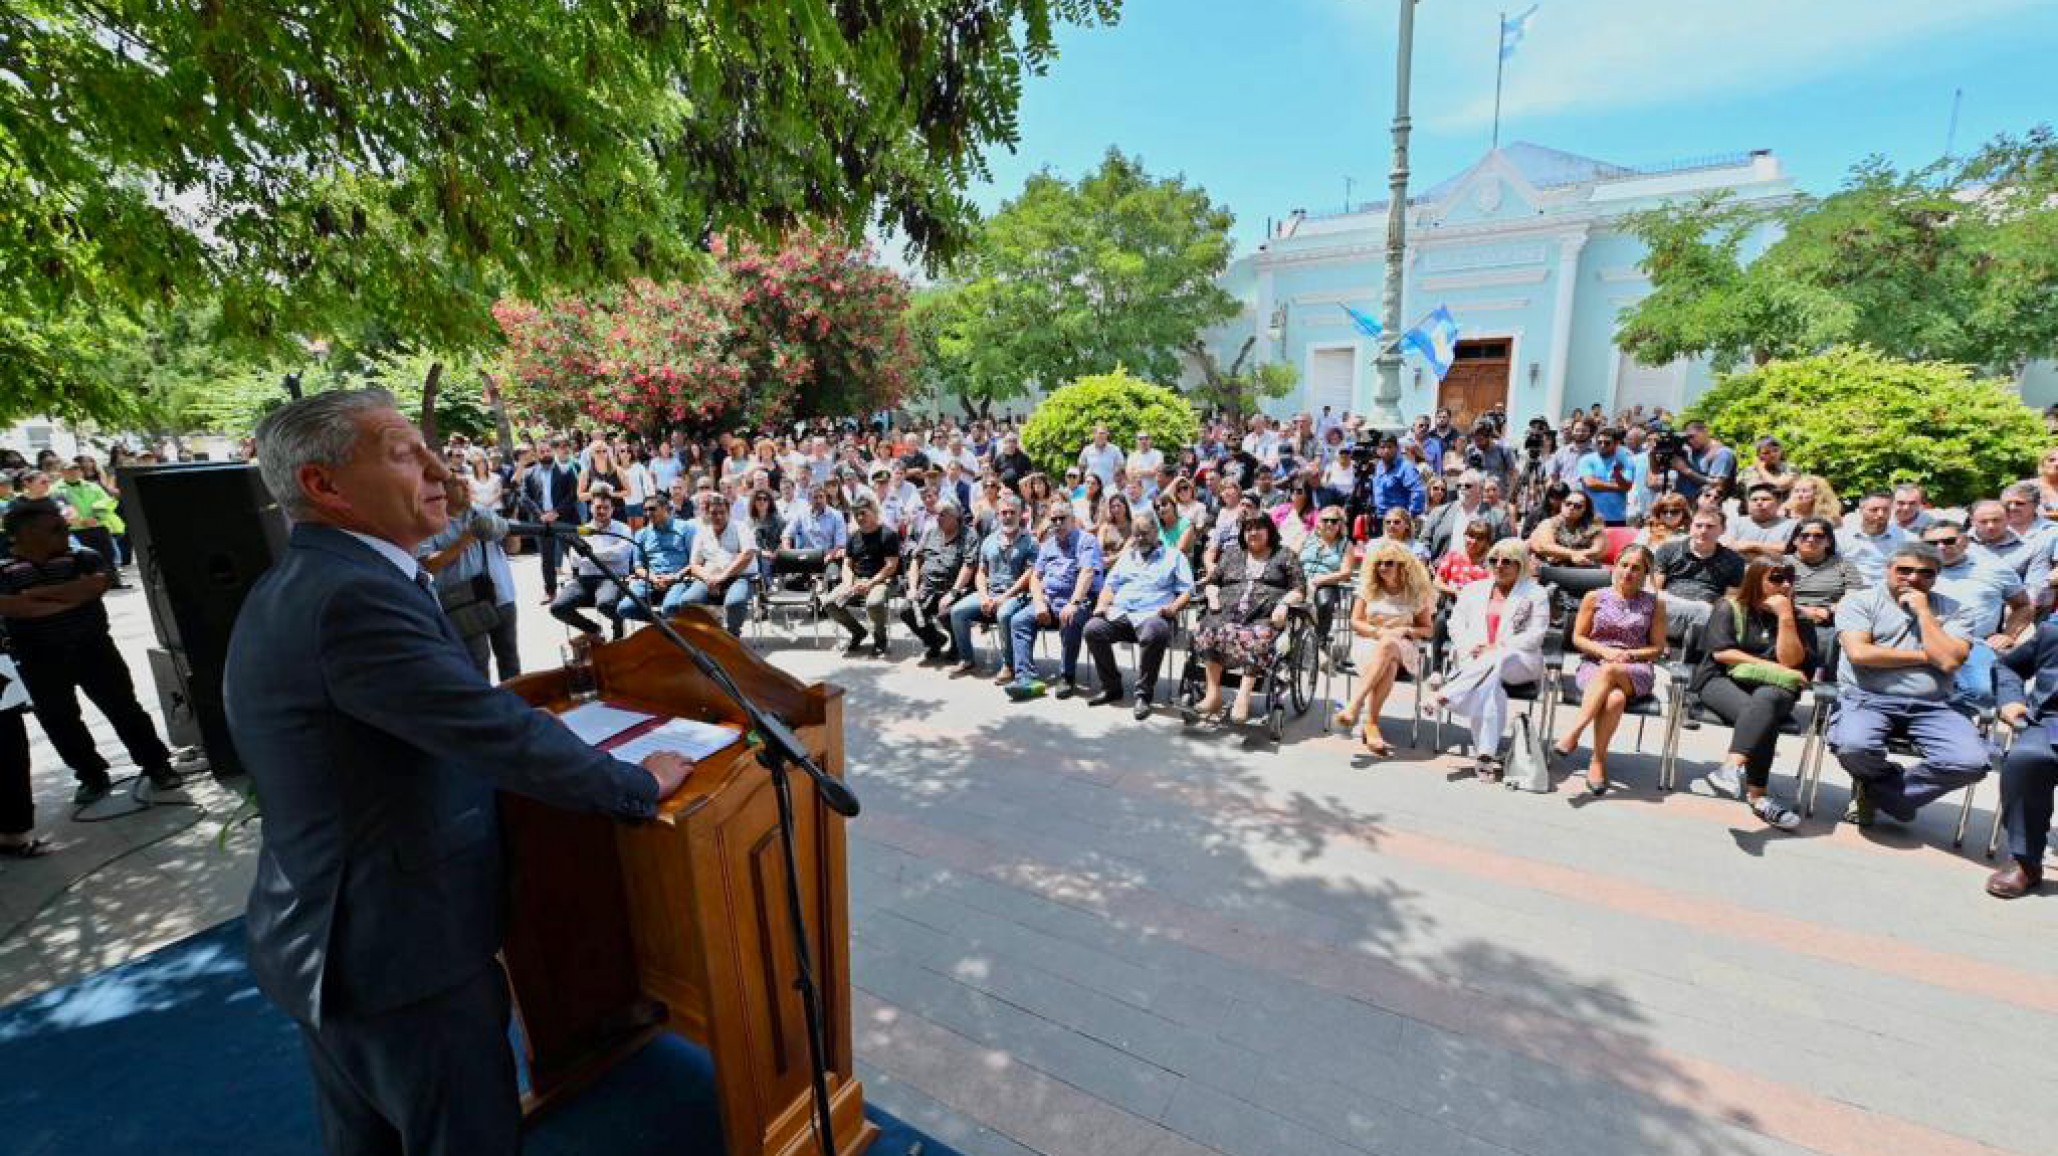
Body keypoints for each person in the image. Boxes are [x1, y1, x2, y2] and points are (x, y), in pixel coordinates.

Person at [226, 393, 691, 1156]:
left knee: (369, 1136)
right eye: (404, 452)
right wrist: (636, 783)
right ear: (325, 485)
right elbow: (488, 731)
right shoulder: (351, 596)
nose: (442, 469)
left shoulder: (324, 576)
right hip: (396, 951)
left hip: (341, 932)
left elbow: (424, 715)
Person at [0, 499, 179, 806]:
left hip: (93, 649)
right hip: (38, 658)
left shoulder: (84, 556)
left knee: (124, 708)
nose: (66, 531)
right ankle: (91, 775)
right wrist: (69, 596)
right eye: (56, 528)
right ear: (27, 533)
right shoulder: (5, 571)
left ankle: (156, 765)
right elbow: (15, 608)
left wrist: (39, 595)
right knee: (60, 720)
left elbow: (94, 587)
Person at [1828, 544, 1985, 826]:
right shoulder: (1860, 602)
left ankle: (1878, 792)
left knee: (1970, 762)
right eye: (1904, 570)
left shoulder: (1955, 611)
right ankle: (1889, 789)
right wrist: (1928, 656)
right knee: (1853, 746)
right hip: (1868, 698)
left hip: (1934, 705)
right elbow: (1861, 654)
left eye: (1926, 573)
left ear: (1936, 577)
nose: (1913, 579)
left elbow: (1949, 663)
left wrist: (1925, 614)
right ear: (1888, 569)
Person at [1691, 559, 1813, 830]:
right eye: (1778, 578)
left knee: (1765, 702)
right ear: (1756, 580)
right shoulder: (1730, 607)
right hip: (1720, 679)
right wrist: (1770, 665)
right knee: (1762, 715)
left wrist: (1785, 617)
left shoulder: (1799, 619)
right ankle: (1759, 796)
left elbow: (1792, 663)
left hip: (1777, 688)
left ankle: (1731, 767)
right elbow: (1723, 653)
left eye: (1791, 579)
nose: (1786, 585)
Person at [1423, 540, 1550, 781]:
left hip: (1521, 660)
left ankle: (1446, 693)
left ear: (1521, 564)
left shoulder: (1535, 593)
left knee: (1498, 659)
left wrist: (1498, 646)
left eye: (1507, 562)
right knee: (1492, 684)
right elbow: (1455, 624)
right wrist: (1470, 648)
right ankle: (1485, 755)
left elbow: (1535, 635)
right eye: (1494, 560)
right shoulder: (1474, 589)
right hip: (1477, 660)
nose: (1499, 566)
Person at [1554, 544, 1668, 794]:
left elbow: (1657, 648)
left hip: (1635, 668)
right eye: (1624, 565)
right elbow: (1578, 638)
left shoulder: (1654, 604)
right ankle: (1598, 761)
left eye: (1636, 568)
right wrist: (1604, 652)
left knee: (1611, 671)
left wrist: (1627, 654)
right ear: (1615, 566)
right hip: (1594, 662)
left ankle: (1573, 733)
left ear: (1646, 573)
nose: (1628, 572)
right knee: (1614, 699)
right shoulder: (1595, 597)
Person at [1190, 515, 1305, 724]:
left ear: (1269, 530)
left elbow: (1299, 588)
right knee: (1207, 628)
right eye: (1248, 529)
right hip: (1225, 613)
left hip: (1262, 617)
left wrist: (1284, 603)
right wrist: (1212, 594)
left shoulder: (1285, 555)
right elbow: (1213, 581)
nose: (1253, 533)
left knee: (1258, 635)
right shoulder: (1232, 553)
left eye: (1259, 528)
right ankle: (1213, 695)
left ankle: (1243, 696)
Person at [1083, 508, 1194, 719]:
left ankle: (1143, 694)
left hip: (1154, 614)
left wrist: (1173, 608)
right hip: (1121, 614)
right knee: (1092, 629)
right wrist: (1102, 605)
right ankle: (1112, 687)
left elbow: (1187, 590)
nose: (1140, 538)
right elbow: (1109, 586)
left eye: (1144, 533)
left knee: (1154, 632)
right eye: (1136, 534)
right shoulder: (1127, 557)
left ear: (1156, 530)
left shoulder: (1174, 556)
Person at [1331, 542, 1434, 756]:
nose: (1382, 567)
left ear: (1402, 566)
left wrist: (1406, 629)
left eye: (1389, 563)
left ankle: (1355, 704)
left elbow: (1428, 630)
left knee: (1389, 646)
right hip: (1369, 642)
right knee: (1388, 662)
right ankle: (1371, 723)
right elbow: (1355, 622)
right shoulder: (1369, 588)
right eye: (1379, 563)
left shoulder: (1416, 593)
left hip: (1404, 646)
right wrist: (1378, 633)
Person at [1922, 519, 2033, 710]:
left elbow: (2023, 605)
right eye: (1932, 543)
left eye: (1949, 540)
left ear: (1965, 541)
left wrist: (2008, 635)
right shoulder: (1912, 571)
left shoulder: (1994, 569)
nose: (1940, 547)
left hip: (1974, 643)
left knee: (1985, 692)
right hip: (1922, 641)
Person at [417, 475, 517, 679]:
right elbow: (428, 565)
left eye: (466, 483)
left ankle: (515, 708)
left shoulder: (484, 513)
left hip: (501, 597)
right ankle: (486, 710)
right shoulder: (433, 523)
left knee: (510, 662)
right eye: (458, 484)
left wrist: (511, 531)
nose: (466, 486)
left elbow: (513, 549)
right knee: (477, 666)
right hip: (464, 605)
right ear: (442, 490)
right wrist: (465, 540)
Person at [1003, 499, 1103, 701]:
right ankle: (1025, 678)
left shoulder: (1086, 541)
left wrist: (1073, 603)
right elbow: (1035, 577)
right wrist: (1039, 602)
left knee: (1070, 618)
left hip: (1078, 600)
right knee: (1019, 620)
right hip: (1050, 600)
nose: (1057, 523)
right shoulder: (1048, 545)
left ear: (1072, 520)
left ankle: (1067, 676)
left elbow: (1087, 573)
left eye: (1061, 519)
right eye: (1053, 519)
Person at [1990, 621, 2058, 898]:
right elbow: (2008, 666)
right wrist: (2010, 700)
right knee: (2027, 759)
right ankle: (2026, 861)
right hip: (2053, 722)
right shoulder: (2052, 633)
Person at [948, 495, 1038, 679]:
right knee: (957, 611)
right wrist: (983, 596)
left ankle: (1009, 665)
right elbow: (981, 572)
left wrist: (1004, 597)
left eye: (1012, 512)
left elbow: (1030, 575)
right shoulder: (989, 540)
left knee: (1004, 614)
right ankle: (966, 658)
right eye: (1003, 512)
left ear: (1021, 514)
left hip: (1017, 595)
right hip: (990, 593)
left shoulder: (1030, 542)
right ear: (998, 515)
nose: (1007, 516)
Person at [823, 498, 903, 657]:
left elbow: (891, 566)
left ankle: (880, 640)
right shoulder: (853, 537)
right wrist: (847, 583)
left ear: (874, 512)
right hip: (857, 580)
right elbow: (847, 563)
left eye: (863, 513)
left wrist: (870, 583)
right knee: (830, 603)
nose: (859, 518)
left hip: (882, 581)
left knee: (874, 603)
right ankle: (858, 632)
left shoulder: (888, 535)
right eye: (856, 514)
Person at [549, 491, 633, 639]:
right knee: (557, 608)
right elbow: (575, 559)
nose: (602, 511)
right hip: (584, 580)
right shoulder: (582, 530)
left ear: (612, 509)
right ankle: (593, 629)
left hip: (611, 578)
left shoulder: (622, 529)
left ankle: (618, 626)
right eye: (598, 507)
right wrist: (606, 554)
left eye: (606, 508)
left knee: (606, 604)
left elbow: (621, 554)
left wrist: (589, 554)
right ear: (590, 508)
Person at [900, 499, 977, 662]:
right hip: (928, 588)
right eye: (936, 514)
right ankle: (934, 640)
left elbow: (968, 566)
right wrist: (913, 588)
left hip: (955, 589)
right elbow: (916, 560)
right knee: (906, 610)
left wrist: (954, 592)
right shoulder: (931, 533)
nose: (937, 518)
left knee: (947, 612)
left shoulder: (968, 535)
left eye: (942, 515)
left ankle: (957, 643)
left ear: (955, 516)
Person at [1652, 510, 1745, 635]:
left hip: (1707, 613)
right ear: (1690, 527)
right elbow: (1654, 589)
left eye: (1710, 526)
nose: (1703, 531)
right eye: (1698, 525)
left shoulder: (1734, 560)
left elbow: (1730, 599)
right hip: (1670, 607)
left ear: (1723, 530)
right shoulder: (1668, 549)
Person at [1785, 516, 1864, 659]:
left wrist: (1828, 612)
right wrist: (1801, 611)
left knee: (1831, 637)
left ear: (1829, 541)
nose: (1811, 540)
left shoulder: (1844, 565)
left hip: (1831, 620)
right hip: (1790, 617)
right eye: (1805, 535)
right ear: (1795, 540)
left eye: (1819, 536)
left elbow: (1854, 597)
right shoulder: (1781, 564)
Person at [677, 497, 756, 635]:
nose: (718, 516)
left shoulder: (741, 527)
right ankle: (702, 635)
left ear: (729, 512)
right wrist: (709, 579)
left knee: (734, 603)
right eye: (714, 513)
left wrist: (722, 577)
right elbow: (694, 565)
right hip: (709, 578)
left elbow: (747, 555)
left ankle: (732, 635)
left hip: (737, 577)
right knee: (687, 600)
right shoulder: (702, 533)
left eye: (722, 512)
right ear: (707, 513)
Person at [520, 437, 581, 602]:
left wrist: (556, 512)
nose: (546, 454)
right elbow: (524, 497)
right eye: (542, 451)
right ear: (536, 454)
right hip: (541, 522)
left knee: (574, 552)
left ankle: (581, 586)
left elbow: (572, 495)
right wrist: (540, 514)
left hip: (564, 518)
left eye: (548, 451)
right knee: (546, 558)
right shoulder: (529, 473)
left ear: (553, 451)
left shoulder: (566, 470)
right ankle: (550, 591)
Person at [619, 494, 695, 621]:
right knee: (625, 608)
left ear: (666, 508)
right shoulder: (641, 534)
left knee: (670, 606)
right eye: (646, 510)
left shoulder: (686, 528)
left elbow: (695, 562)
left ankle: (668, 629)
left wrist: (675, 577)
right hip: (650, 579)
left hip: (678, 578)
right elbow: (638, 567)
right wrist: (653, 579)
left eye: (652, 509)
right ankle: (664, 624)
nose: (648, 513)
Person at [1300, 505, 1358, 646]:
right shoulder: (1308, 538)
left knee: (1325, 602)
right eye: (1325, 520)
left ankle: (1319, 639)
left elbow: (1346, 573)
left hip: (1327, 583)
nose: (1329, 524)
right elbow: (1292, 557)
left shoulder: (1346, 544)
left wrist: (1320, 580)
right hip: (1301, 579)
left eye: (1334, 521)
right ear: (1319, 522)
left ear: (1340, 524)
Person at [1836, 491, 1905, 585]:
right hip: (1850, 589)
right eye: (1874, 510)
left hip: (1888, 591)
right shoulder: (1840, 537)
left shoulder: (1904, 538)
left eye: (1885, 510)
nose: (1880, 514)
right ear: (1861, 510)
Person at [1527, 490, 1606, 569]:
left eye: (1578, 506)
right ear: (1562, 504)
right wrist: (1573, 555)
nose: (1571, 508)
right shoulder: (1548, 523)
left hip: (1585, 566)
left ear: (1585, 509)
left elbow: (1598, 550)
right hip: (1554, 568)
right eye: (1568, 504)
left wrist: (1563, 555)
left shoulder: (1594, 525)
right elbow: (1547, 547)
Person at [1574, 426, 1637, 526]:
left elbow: (1627, 486)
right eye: (1599, 442)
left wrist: (1617, 473)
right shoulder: (1586, 460)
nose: (1602, 445)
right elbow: (1590, 483)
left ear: (1616, 443)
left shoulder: (1626, 460)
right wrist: (1618, 486)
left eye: (1607, 443)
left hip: (1616, 518)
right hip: (1590, 516)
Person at [1667, 421, 1736, 504]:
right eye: (1687, 438)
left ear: (1705, 431)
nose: (1689, 441)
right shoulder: (1692, 451)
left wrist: (1686, 470)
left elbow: (1717, 485)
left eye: (1692, 436)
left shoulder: (1722, 453)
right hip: (1683, 504)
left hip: (1703, 506)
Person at [1726, 483, 1796, 560]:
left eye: (1765, 499)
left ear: (1778, 503)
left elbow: (1790, 549)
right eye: (1754, 500)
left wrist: (1753, 545)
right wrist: (1772, 550)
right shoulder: (1734, 522)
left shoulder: (1792, 525)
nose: (1759, 503)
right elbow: (1728, 547)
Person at [1432, 518, 1495, 600]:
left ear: (1487, 542)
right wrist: (1455, 592)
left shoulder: (1492, 562)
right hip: (1450, 605)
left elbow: (1493, 588)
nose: (1474, 541)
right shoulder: (1453, 556)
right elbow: (1437, 582)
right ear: (1465, 536)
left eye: (1479, 538)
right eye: (1471, 536)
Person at [1734, 437, 1796, 502]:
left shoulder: (1790, 468)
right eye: (1766, 453)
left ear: (1781, 451)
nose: (1772, 455)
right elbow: (1736, 493)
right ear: (1759, 456)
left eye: (1775, 450)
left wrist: (1761, 469)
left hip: (1781, 509)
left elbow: (1779, 486)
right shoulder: (1748, 472)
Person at [1078, 425, 1126, 489]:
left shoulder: (1115, 450)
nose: (1101, 436)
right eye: (1100, 433)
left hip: (1109, 488)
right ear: (1094, 435)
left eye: (1104, 433)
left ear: (1107, 435)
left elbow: (1121, 468)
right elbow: (1081, 468)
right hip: (1091, 488)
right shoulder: (1087, 450)